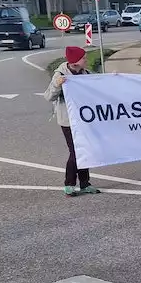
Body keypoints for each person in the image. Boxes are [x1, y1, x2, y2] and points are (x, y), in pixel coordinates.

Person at [44, 46, 102, 197]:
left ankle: (85, 183)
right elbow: (49, 96)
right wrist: (58, 84)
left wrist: (113, 78)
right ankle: (69, 184)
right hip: (68, 121)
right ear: (75, 62)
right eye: (83, 58)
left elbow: (99, 83)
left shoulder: (86, 73)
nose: (86, 60)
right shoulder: (60, 74)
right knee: (76, 152)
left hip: (84, 119)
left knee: (85, 150)